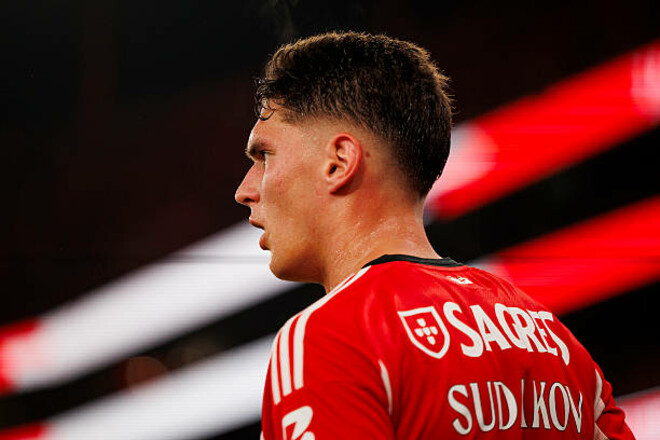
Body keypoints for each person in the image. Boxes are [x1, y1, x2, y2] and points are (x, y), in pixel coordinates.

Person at [235, 32, 634, 439]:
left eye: (264, 156)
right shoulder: (556, 342)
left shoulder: (328, 339)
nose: (244, 191)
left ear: (338, 162)